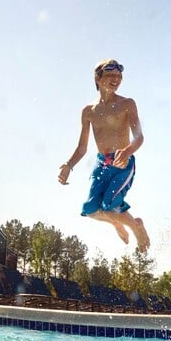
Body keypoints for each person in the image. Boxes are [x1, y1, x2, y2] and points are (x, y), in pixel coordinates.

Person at [58, 58, 150, 251]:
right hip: (102, 164)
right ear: (98, 79)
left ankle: (136, 227)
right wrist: (68, 165)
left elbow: (139, 137)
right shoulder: (88, 111)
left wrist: (128, 151)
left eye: (118, 76)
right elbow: (82, 147)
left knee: (109, 206)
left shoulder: (127, 104)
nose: (115, 79)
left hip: (123, 164)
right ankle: (117, 222)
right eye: (110, 75)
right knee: (91, 211)